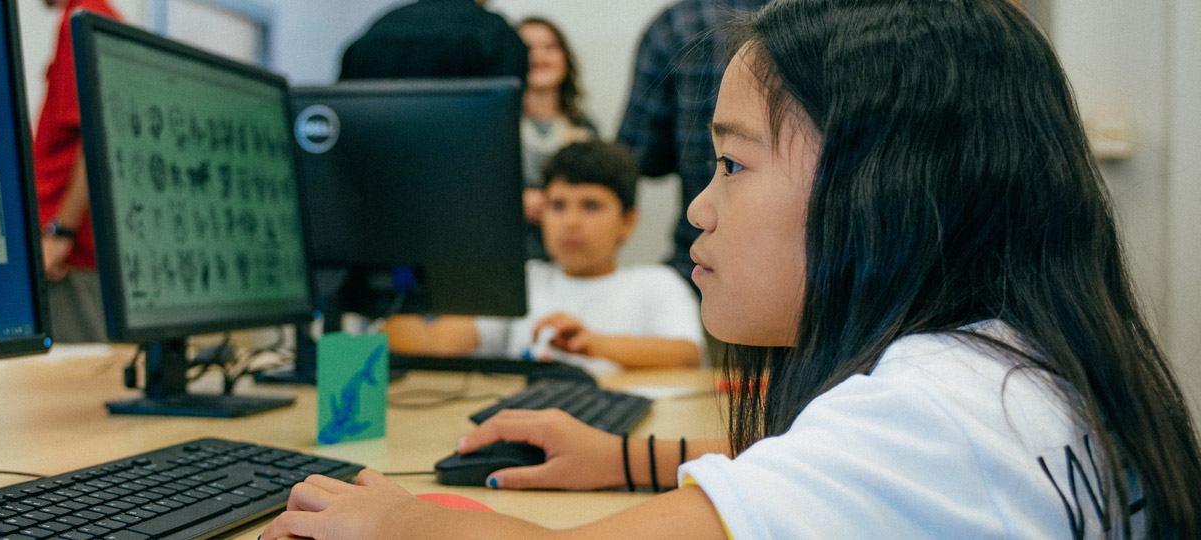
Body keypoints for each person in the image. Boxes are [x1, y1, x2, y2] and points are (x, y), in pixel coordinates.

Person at [262, 0, 1201, 538]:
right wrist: (627, 458)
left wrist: (395, 523)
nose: (700, 206)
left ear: (884, 189)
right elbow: (824, 474)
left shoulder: (934, 415)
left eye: (733, 163)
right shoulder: (1015, 370)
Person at [385, 141, 703, 369]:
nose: (571, 222)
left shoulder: (656, 283)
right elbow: (437, 343)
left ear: (628, 221)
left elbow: (687, 354)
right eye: (558, 205)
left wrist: (593, 344)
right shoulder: (524, 280)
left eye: (591, 206)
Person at [615, 0, 768, 281]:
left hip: (699, 257)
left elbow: (640, 155)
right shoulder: (839, 20)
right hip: (819, 265)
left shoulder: (676, 24)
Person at [32, 0, 121, 343]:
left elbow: (94, 137)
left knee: (73, 381)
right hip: (83, 251)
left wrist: (60, 233)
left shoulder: (82, 18)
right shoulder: (101, 16)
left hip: (72, 255)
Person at [517, 17, 598, 260]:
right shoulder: (491, 128)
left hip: (571, 258)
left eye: (550, 47)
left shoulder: (586, 128)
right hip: (509, 257)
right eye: (527, 48)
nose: (539, 56)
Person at [338, 0, 527, 81]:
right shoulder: (494, 33)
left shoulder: (376, 31)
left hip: (377, 160)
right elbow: (504, 117)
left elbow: (344, 112)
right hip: (466, 160)